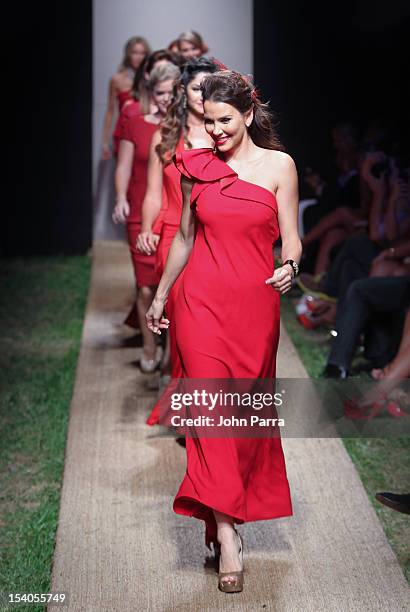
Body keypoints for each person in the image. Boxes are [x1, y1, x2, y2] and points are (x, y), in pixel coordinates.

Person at [145, 70, 301, 592]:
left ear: (249, 115)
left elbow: (293, 240)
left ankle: (221, 512)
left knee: (241, 421)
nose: (214, 131)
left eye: (224, 121)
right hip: (200, 306)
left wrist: (292, 267)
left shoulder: (280, 167)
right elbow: (185, 240)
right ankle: (228, 535)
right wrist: (163, 295)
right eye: (208, 121)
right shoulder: (195, 165)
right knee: (209, 413)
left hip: (255, 311)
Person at [136, 58, 221, 412]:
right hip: (174, 234)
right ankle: (187, 405)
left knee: (206, 326)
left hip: (215, 237)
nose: (202, 96)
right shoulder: (168, 135)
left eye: (208, 88)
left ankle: (198, 400)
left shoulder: (223, 132)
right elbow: (154, 192)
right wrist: (145, 228)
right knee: (184, 323)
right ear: (183, 92)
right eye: (196, 88)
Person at [113, 62, 180, 372]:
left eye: (171, 92)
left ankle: (171, 350)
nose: (165, 98)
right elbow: (124, 165)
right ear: (150, 92)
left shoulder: (187, 128)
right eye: (160, 92)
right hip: (142, 212)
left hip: (175, 214)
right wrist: (119, 199)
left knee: (175, 288)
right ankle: (150, 345)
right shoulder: (136, 123)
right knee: (145, 287)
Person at [101, 36, 150, 160]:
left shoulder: (151, 79)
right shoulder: (117, 80)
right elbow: (110, 111)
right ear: (128, 54)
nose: (139, 57)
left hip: (145, 131)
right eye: (135, 52)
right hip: (123, 132)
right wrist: (105, 142)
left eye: (142, 53)